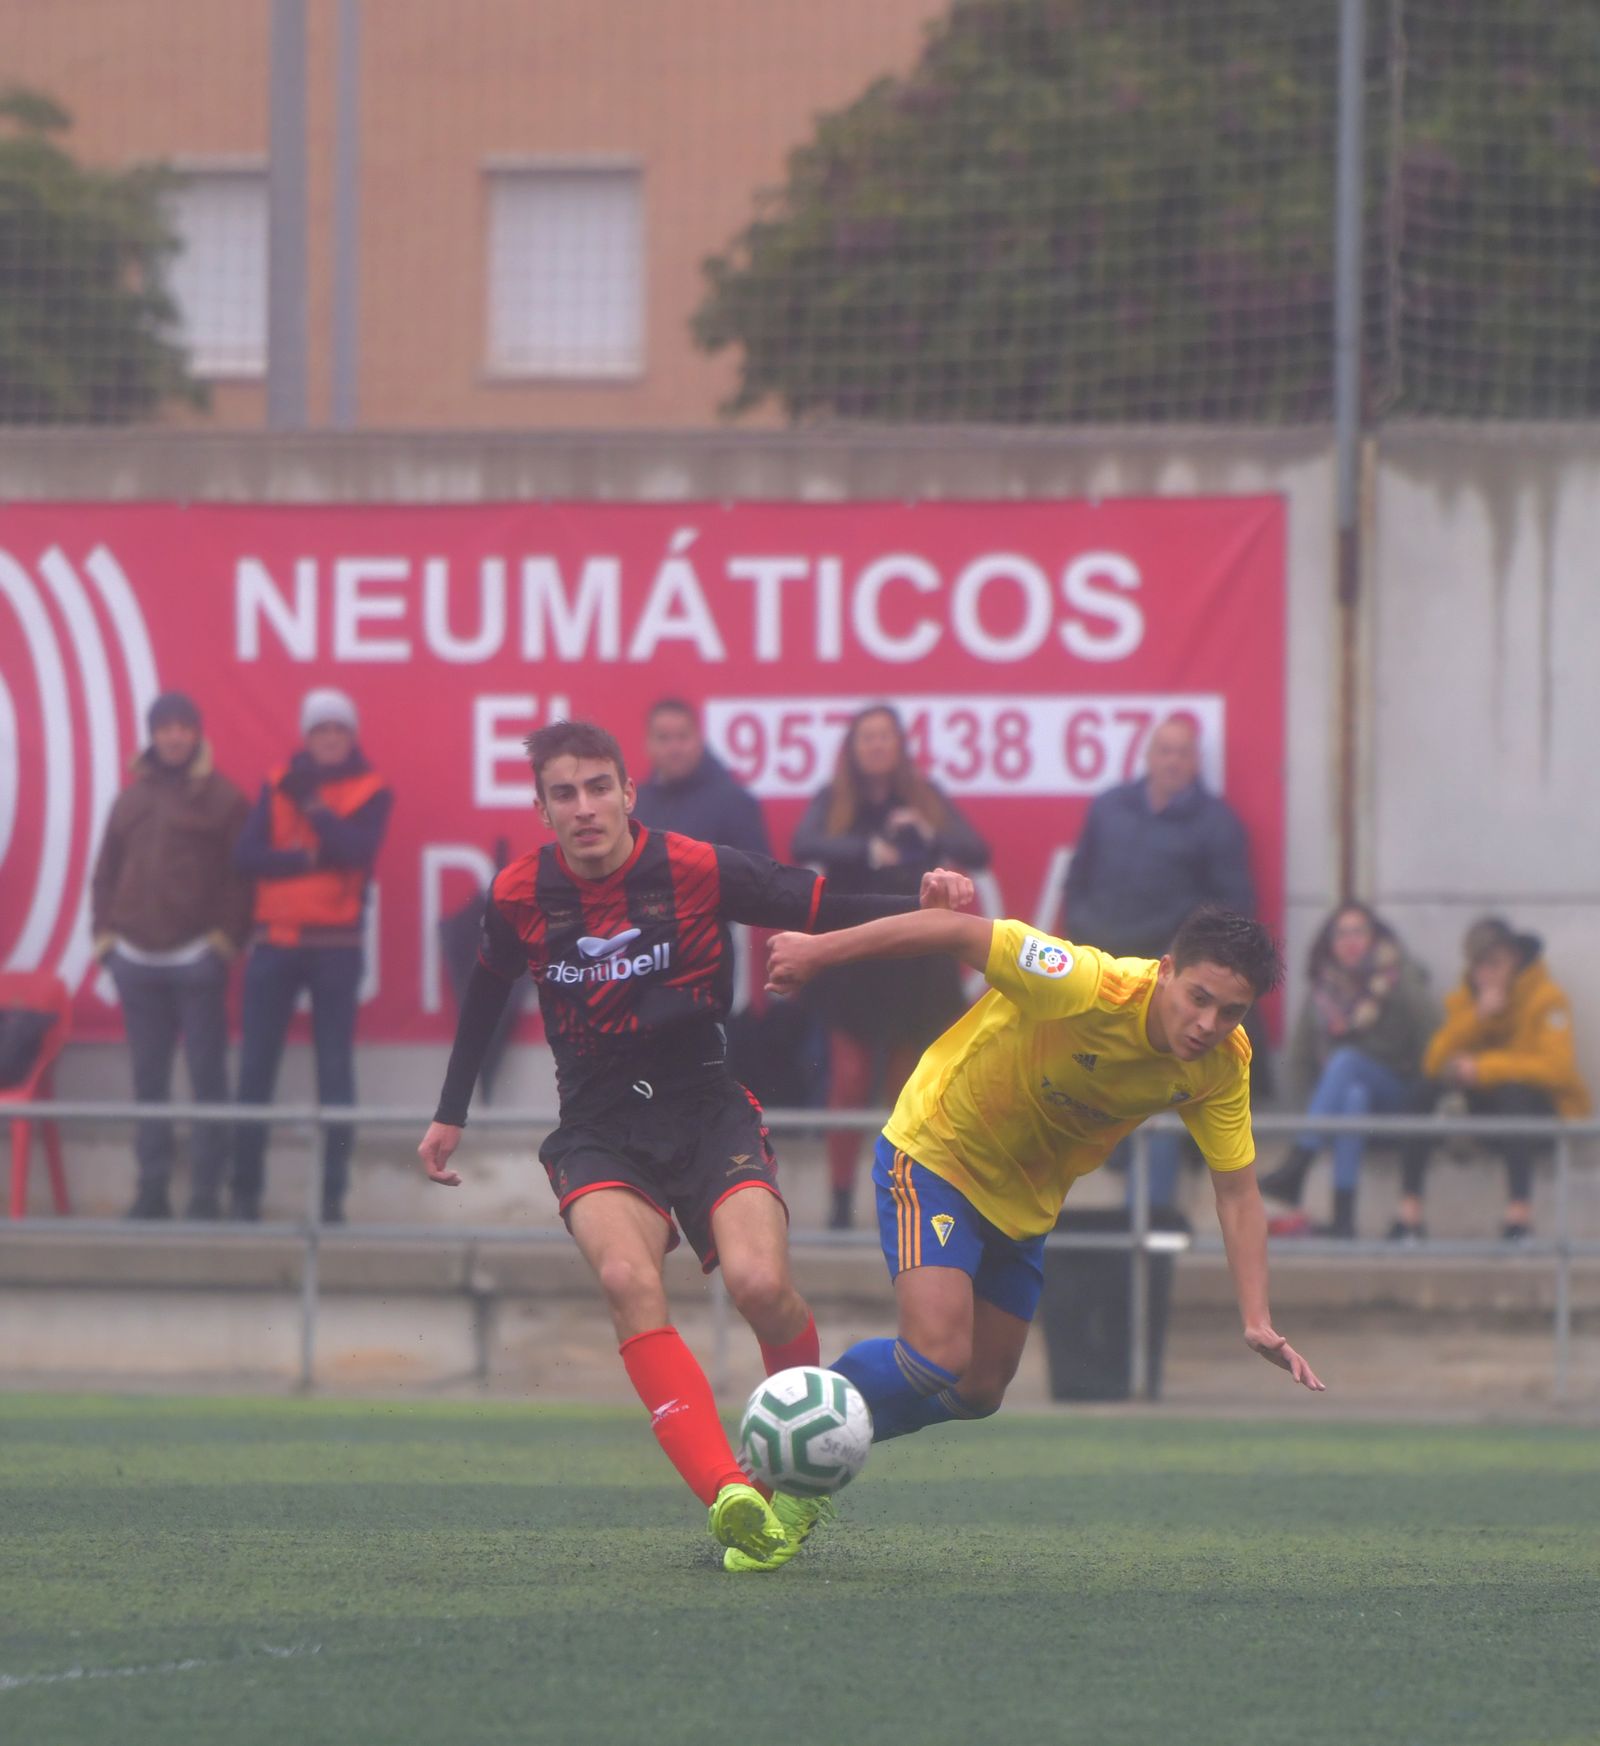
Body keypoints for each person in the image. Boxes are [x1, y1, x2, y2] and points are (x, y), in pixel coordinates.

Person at [415, 719, 973, 1574]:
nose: (584, 807)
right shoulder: (519, 893)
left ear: (629, 793)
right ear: (540, 809)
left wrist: (923, 905)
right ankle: (730, 1496)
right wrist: (450, 1109)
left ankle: (797, 1485)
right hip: (599, 1126)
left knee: (761, 1286)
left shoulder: (694, 865)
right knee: (624, 1278)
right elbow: (488, 988)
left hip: (707, 1107)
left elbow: (816, 904)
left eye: (599, 787)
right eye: (563, 794)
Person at [762, 903, 1323, 1557]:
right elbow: (954, 930)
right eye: (1199, 998)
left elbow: (1236, 1191)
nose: (1208, 1024)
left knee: (978, 1391)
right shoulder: (1082, 981)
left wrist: (1256, 1316)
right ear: (1166, 971)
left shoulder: (1223, 1063)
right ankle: (775, 1456)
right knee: (937, 1354)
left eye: (1231, 1011)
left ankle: (814, 1449)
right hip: (938, 1151)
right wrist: (818, 951)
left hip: (1024, 1204)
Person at [791, 704, 990, 1229]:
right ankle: (839, 1200)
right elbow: (804, 843)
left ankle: (900, 1194)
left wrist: (928, 830)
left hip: (917, 959)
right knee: (849, 1080)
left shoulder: (924, 796)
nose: (877, 746)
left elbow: (977, 846)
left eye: (886, 737)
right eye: (867, 737)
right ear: (853, 748)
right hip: (854, 954)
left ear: (900, 745)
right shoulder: (834, 800)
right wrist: (867, 848)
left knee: (907, 1087)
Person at [1060, 714, 1257, 1210]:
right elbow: (1075, 881)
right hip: (1100, 975)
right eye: (1162, 750)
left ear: (1197, 762)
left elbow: (1233, 911)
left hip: (1170, 985)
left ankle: (1154, 1220)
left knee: (1159, 1100)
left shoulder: (1217, 824)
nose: (1171, 760)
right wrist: (1087, 935)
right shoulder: (1109, 807)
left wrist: (1180, 958)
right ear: (1146, 756)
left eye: (1182, 752)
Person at [231, 688, 392, 1223]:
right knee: (255, 1072)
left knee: (335, 1076)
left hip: (334, 950)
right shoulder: (277, 782)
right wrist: (308, 857)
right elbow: (246, 856)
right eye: (320, 730)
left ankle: (330, 1201)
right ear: (308, 735)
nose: (329, 739)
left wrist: (316, 808)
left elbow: (356, 851)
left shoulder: (371, 789)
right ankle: (245, 1194)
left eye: (338, 731)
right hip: (274, 944)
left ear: (351, 736)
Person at [89, 691, 252, 1219]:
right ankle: (151, 1192)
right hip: (135, 963)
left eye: (184, 727)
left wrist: (223, 944)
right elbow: (105, 874)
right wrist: (106, 943)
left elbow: (242, 881)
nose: (174, 736)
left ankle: (206, 1195)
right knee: (149, 1083)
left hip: (196, 965)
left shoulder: (225, 798)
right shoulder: (129, 799)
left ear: (197, 733)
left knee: (208, 1080)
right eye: (165, 728)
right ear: (153, 735)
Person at [1391, 917, 1591, 1243]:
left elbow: (1558, 1068)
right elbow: (1432, 1063)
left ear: (1514, 958)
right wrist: (1477, 1018)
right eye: (1478, 966)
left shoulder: (1547, 998)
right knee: (1422, 1091)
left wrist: (1483, 1068)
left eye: (1494, 964)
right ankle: (1409, 1214)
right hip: (1486, 1112)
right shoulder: (1465, 1000)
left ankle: (1519, 1218)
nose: (1486, 975)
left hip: (1542, 1114)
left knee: (1514, 1092)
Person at [1258, 902, 1435, 1238]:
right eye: (1342, 933)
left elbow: (1434, 1036)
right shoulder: (1323, 991)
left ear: (1375, 937)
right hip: (1348, 1109)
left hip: (1397, 1098)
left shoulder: (1399, 978)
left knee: (1346, 1062)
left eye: (1359, 932)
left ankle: (1298, 1164)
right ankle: (1343, 1220)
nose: (1350, 941)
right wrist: (1311, 1111)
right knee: (1352, 1094)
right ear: (1330, 942)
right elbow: (1299, 1062)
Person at [632, 697, 770, 855]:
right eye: (664, 738)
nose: (674, 748)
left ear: (699, 740)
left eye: (682, 736)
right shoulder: (636, 806)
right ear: (648, 744)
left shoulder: (735, 803)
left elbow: (759, 875)